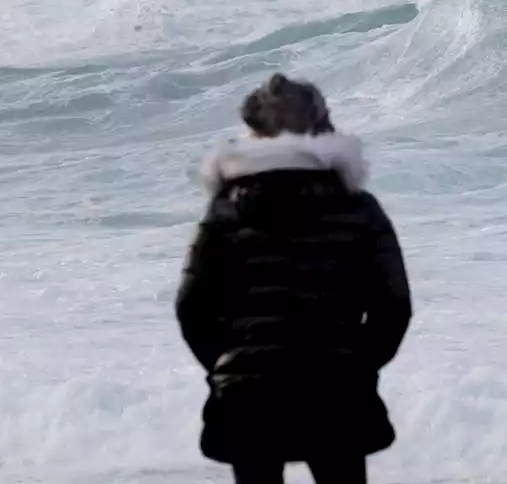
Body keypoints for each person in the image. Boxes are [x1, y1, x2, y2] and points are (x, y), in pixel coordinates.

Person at [176, 73, 412, 484]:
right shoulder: (356, 206)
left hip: (248, 392)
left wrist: (224, 365)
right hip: (335, 388)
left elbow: (191, 306)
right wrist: (359, 364)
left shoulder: (226, 210)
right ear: (322, 126)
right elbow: (393, 305)